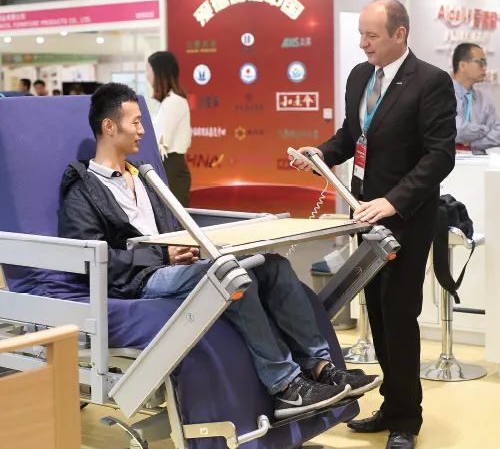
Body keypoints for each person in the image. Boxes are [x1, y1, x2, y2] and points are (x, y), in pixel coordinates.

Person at [58, 83, 381, 420]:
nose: (142, 130)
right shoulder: (84, 190)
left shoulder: (144, 177)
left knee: (273, 266)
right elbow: (93, 260)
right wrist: (163, 256)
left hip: (175, 264)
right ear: (109, 126)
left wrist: (189, 249)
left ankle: (320, 367)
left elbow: (176, 228)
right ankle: (285, 386)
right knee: (230, 275)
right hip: (138, 279)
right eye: (135, 122)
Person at [294, 0, 456, 448]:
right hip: (363, 214)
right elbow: (353, 135)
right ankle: (391, 403)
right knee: (378, 314)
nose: (363, 44)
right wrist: (321, 154)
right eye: (361, 35)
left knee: (399, 314)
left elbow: (439, 155)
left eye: (372, 36)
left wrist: (393, 201)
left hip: (406, 217)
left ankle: (407, 419)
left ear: (400, 34)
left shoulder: (430, 81)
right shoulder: (360, 77)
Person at [147, 51, 192, 207]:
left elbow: (161, 141)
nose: (147, 75)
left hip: (170, 168)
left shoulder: (173, 101)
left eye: (149, 70)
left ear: (159, 72)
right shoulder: (166, 102)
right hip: (167, 167)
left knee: (174, 219)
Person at [451, 43, 500, 151]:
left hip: (480, 159)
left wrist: (473, 144)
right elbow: (455, 130)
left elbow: (498, 132)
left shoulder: (484, 98)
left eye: (485, 63)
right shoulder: (443, 94)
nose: (485, 68)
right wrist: (485, 129)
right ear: (462, 65)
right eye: (480, 62)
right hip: (448, 159)